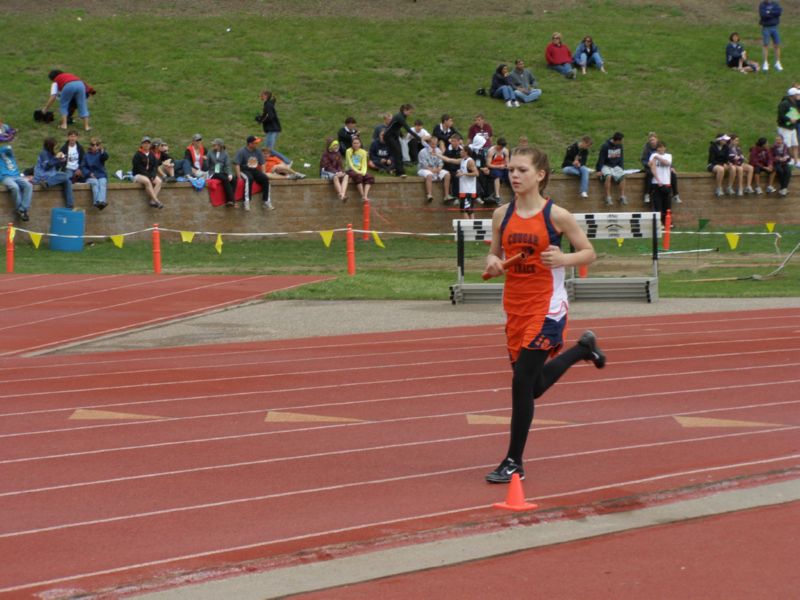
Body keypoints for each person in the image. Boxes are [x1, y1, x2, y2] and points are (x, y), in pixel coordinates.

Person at [483, 145, 604, 484]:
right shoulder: (501, 215)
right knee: (531, 386)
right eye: (511, 170)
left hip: (547, 306)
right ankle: (583, 348)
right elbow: (494, 259)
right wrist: (492, 264)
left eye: (521, 170)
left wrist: (563, 260)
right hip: (515, 308)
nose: (514, 176)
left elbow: (589, 253)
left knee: (521, 382)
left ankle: (513, 461)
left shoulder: (556, 216)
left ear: (540, 175)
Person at [33, 137, 74, 209]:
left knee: (67, 180)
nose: (56, 147)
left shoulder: (51, 153)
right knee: (65, 176)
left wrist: (61, 160)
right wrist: (56, 158)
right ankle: (46, 183)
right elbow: (46, 166)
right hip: (42, 176)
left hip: (50, 175)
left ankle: (70, 205)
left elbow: (55, 168)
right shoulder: (44, 153)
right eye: (55, 146)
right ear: (50, 146)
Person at [234, 135, 272, 211]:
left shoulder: (258, 151)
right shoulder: (241, 151)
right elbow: (237, 164)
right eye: (255, 143)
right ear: (250, 144)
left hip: (254, 170)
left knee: (265, 179)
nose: (257, 145)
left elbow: (262, 163)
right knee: (249, 179)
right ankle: (247, 202)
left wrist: (263, 173)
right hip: (244, 170)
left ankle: (266, 201)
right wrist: (239, 177)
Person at [383, 104, 420, 177]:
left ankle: (398, 171)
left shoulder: (403, 116)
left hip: (394, 136)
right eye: (410, 112)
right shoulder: (400, 117)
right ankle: (399, 172)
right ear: (405, 110)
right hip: (388, 136)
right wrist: (419, 138)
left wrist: (401, 134)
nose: (410, 114)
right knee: (397, 152)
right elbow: (408, 129)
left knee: (399, 153)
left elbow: (397, 126)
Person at [0, 145, 33, 221]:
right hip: (6, 177)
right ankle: (20, 210)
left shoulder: (9, 154)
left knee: (29, 185)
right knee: (15, 187)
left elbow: (9, 147)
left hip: (17, 176)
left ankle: (23, 209)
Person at [595, 132, 627, 205]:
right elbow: (601, 158)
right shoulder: (605, 146)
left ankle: (622, 196)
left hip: (615, 166)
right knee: (608, 176)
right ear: (617, 140)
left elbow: (621, 158)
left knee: (622, 176)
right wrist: (599, 170)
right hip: (606, 165)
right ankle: (608, 197)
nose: (621, 142)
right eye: (621, 140)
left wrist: (621, 168)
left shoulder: (620, 146)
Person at [131, 136, 164, 209]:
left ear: (150, 145)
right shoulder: (138, 155)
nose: (146, 145)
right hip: (139, 174)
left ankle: (152, 200)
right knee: (147, 181)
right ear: (141, 145)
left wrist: (153, 175)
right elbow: (138, 168)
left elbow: (155, 166)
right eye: (145, 143)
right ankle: (157, 201)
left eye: (148, 143)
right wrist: (149, 176)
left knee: (159, 181)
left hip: (149, 174)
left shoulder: (152, 154)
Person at [417, 135, 450, 203]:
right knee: (429, 175)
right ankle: (429, 195)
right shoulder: (422, 152)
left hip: (436, 169)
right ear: (429, 143)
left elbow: (441, 162)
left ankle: (446, 196)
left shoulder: (438, 151)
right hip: (423, 169)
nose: (434, 146)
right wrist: (432, 170)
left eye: (435, 144)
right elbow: (424, 164)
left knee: (447, 174)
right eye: (432, 144)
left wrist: (439, 168)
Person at [648, 141, 674, 226]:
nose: (661, 149)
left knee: (667, 205)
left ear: (665, 148)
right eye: (659, 147)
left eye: (662, 147)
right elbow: (651, 166)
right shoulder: (653, 155)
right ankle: (659, 224)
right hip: (656, 183)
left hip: (666, 183)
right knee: (657, 205)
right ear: (657, 149)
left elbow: (667, 163)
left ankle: (668, 222)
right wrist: (658, 180)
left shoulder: (668, 156)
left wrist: (658, 157)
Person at [345, 136, 374, 202]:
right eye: (354, 143)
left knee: (370, 177)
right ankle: (362, 195)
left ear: (360, 144)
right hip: (350, 170)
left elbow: (364, 164)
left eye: (357, 143)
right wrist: (358, 172)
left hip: (360, 170)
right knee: (358, 176)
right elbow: (350, 164)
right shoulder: (348, 151)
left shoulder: (363, 152)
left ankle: (366, 195)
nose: (356, 145)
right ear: (352, 144)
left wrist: (363, 172)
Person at [207, 138, 235, 207]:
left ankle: (229, 199)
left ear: (219, 146)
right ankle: (231, 200)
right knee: (225, 179)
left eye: (215, 144)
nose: (213, 145)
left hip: (222, 171)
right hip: (213, 172)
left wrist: (230, 174)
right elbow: (206, 165)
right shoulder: (210, 153)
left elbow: (227, 165)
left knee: (233, 179)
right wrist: (205, 160)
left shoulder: (225, 154)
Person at [83, 137, 109, 209]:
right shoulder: (86, 155)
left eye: (97, 145)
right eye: (93, 145)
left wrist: (102, 150)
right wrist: (89, 174)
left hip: (100, 174)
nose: (95, 146)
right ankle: (97, 202)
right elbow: (83, 167)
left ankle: (100, 201)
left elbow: (105, 157)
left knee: (102, 182)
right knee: (95, 182)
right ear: (90, 146)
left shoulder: (101, 154)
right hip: (90, 176)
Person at [776, 87, 799, 165]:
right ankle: (788, 159)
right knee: (787, 145)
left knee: (795, 144)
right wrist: (789, 119)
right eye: (797, 94)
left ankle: (795, 161)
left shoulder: (794, 102)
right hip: (784, 128)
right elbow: (781, 115)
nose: (798, 96)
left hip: (792, 128)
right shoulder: (784, 103)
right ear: (793, 95)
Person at [456, 144, 479, 219]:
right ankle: (471, 228)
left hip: (468, 191)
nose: (460, 151)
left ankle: (470, 229)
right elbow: (450, 160)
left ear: (466, 152)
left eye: (462, 150)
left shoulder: (470, 161)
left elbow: (476, 173)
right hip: (464, 190)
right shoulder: (462, 160)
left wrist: (463, 173)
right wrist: (438, 155)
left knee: (466, 211)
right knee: (467, 210)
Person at [759, 0, 783, 71]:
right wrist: (773, 13)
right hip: (766, 28)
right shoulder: (762, 5)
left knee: (777, 45)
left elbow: (779, 12)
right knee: (766, 45)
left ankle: (777, 62)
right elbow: (763, 15)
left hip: (775, 27)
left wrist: (769, 12)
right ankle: (765, 63)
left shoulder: (775, 4)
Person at [708, 133, 732, 197]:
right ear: (720, 140)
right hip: (712, 164)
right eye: (724, 140)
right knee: (721, 169)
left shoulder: (726, 147)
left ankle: (729, 187)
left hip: (722, 164)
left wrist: (728, 163)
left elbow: (726, 159)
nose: (726, 141)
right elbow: (712, 160)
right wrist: (722, 164)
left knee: (732, 168)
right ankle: (718, 188)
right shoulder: (712, 147)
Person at [487, 137, 510, 203]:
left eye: (502, 147)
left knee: (511, 174)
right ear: (497, 145)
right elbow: (488, 164)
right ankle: (497, 195)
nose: (501, 149)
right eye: (500, 147)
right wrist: (498, 166)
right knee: (497, 176)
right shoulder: (491, 151)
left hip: (502, 167)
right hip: (493, 167)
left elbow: (507, 162)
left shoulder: (505, 151)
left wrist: (506, 166)